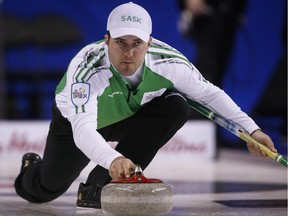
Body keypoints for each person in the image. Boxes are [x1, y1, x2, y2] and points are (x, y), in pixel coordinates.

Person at [14, 2, 277, 209]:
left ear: (149, 43)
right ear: (106, 40)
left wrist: (252, 130)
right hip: (77, 124)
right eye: (120, 43)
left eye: (137, 43)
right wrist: (113, 158)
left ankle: (99, 186)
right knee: (45, 190)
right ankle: (31, 171)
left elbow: (210, 95)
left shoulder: (169, 62)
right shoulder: (86, 71)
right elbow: (83, 131)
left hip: (127, 116)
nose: (129, 52)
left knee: (176, 106)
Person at [177, 0, 247, 87]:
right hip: (205, 15)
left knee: (219, 69)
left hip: (228, 17)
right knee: (206, 67)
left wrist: (238, 8)